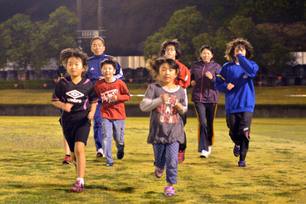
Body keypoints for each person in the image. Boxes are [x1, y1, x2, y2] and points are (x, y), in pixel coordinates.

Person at [52, 49, 98, 192]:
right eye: (70, 64)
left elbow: (94, 100)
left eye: (76, 64)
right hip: (67, 122)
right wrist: (63, 105)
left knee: (80, 149)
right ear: (66, 67)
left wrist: (92, 112)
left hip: (83, 121)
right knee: (73, 154)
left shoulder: (88, 84)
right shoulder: (62, 83)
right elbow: (54, 100)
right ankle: (79, 170)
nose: (73, 67)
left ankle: (80, 181)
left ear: (83, 67)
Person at [140, 57, 187, 196]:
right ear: (158, 73)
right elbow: (143, 106)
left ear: (176, 73)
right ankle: (160, 167)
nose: (167, 72)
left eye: (170, 70)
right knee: (160, 160)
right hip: (158, 131)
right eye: (163, 69)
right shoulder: (154, 88)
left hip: (174, 132)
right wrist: (159, 100)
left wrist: (180, 108)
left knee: (172, 160)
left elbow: (185, 108)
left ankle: (170, 185)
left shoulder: (181, 90)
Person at [215, 38, 259, 167]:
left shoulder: (252, 65)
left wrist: (241, 57)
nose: (239, 52)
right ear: (232, 52)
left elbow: (251, 72)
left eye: (242, 50)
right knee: (233, 130)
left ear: (246, 52)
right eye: (237, 50)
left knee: (244, 132)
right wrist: (225, 86)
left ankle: (242, 160)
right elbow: (217, 84)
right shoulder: (226, 67)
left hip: (247, 104)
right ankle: (237, 144)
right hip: (232, 105)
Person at [87, 36, 124, 158]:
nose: (97, 47)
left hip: (110, 99)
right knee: (98, 123)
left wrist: (109, 78)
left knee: (114, 125)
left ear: (104, 47)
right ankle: (100, 149)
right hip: (96, 99)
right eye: (94, 45)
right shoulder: (88, 62)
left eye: (99, 45)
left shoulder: (111, 60)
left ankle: (118, 143)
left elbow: (121, 75)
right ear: (91, 48)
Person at [94, 57, 130, 167]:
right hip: (105, 114)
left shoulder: (120, 84)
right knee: (106, 137)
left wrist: (118, 97)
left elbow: (127, 97)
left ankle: (120, 148)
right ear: (101, 71)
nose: (107, 71)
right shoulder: (98, 84)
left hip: (119, 115)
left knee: (119, 138)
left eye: (109, 68)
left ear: (114, 71)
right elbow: (94, 97)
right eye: (104, 68)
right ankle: (109, 160)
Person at [159, 39, 190, 163]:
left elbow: (185, 83)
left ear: (176, 52)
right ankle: (167, 152)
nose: (169, 51)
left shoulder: (182, 68)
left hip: (179, 101)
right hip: (164, 102)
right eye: (167, 50)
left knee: (179, 126)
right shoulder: (160, 67)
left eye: (171, 49)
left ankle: (181, 149)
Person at [190, 45, 221, 158]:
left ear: (212, 55)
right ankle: (204, 148)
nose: (206, 55)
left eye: (208, 53)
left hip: (212, 98)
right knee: (202, 122)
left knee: (209, 123)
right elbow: (190, 76)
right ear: (200, 55)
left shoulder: (216, 67)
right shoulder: (195, 66)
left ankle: (209, 143)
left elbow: (221, 83)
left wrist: (212, 78)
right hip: (198, 98)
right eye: (204, 53)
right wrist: (192, 81)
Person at [57, 48, 72, 164]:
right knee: (66, 128)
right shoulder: (60, 70)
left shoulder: (77, 69)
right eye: (63, 60)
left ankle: (75, 152)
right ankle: (67, 155)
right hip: (64, 103)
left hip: (76, 102)